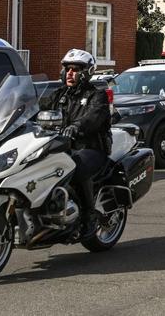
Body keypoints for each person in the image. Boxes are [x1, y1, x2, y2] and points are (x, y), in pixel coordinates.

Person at [40, 49, 112, 234]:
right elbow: (37, 111)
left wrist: (76, 127)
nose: (70, 73)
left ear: (86, 72)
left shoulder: (97, 96)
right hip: (59, 147)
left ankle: (89, 215)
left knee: (76, 166)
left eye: (75, 69)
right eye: (67, 69)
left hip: (90, 148)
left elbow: (93, 117)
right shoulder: (58, 95)